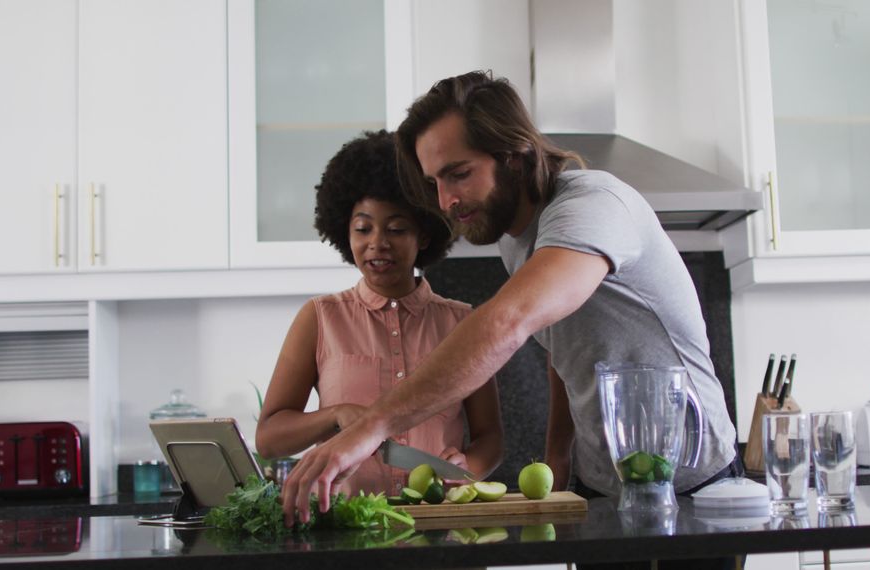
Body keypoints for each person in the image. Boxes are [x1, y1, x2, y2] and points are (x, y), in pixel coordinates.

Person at [281, 71, 738, 530]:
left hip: (688, 486)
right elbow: (561, 349)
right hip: (603, 487)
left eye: (459, 174)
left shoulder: (592, 206)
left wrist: (370, 427)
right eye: (435, 181)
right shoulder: (515, 239)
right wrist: (558, 457)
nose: (446, 201)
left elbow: (509, 321)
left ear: (514, 156)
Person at [255, 130, 503, 497]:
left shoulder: (462, 324)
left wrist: (470, 466)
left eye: (397, 228)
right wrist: (335, 415)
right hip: (346, 531)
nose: (378, 243)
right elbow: (269, 438)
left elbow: (490, 437)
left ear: (425, 234)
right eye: (363, 228)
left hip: (441, 526)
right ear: (345, 233)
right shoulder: (319, 318)